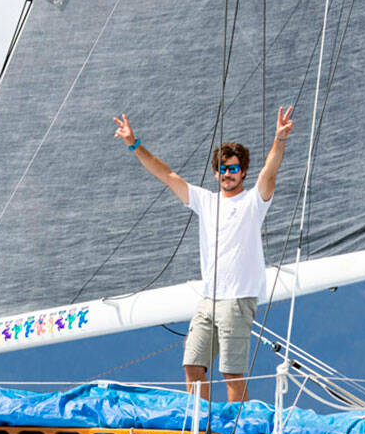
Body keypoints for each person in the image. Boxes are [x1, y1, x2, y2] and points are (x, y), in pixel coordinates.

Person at [113, 106, 294, 402]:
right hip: (209, 298)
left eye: (233, 169)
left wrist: (279, 140)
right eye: (223, 169)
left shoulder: (253, 202)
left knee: (231, 372)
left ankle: (241, 433)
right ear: (216, 172)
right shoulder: (205, 201)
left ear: (243, 171)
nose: (228, 174)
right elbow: (167, 175)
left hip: (238, 298)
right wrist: (134, 144)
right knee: (192, 365)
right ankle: (204, 428)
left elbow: (269, 173)